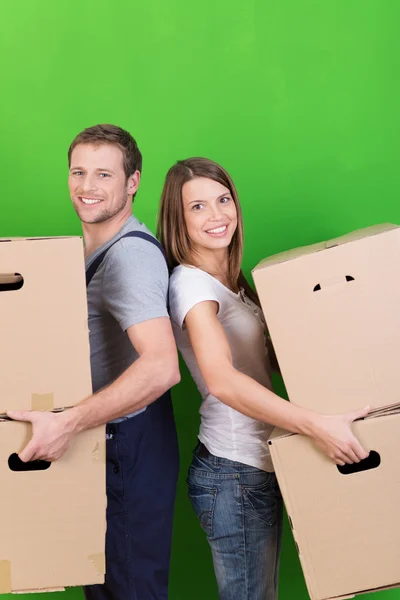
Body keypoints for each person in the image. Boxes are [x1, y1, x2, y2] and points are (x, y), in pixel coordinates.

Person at [157, 157, 369, 600]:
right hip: (234, 470)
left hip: (261, 460)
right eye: (197, 207)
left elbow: (272, 361)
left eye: (223, 199)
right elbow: (222, 381)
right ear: (177, 220)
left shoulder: (230, 280)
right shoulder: (192, 287)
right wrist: (314, 425)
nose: (216, 215)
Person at [8, 124, 180, 600]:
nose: (87, 186)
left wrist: (68, 423)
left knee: (128, 588)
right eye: (78, 172)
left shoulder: (129, 257)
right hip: (110, 439)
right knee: (106, 585)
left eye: (104, 174)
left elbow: (163, 366)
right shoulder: (92, 248)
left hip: (126, 440)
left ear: (133, 182)